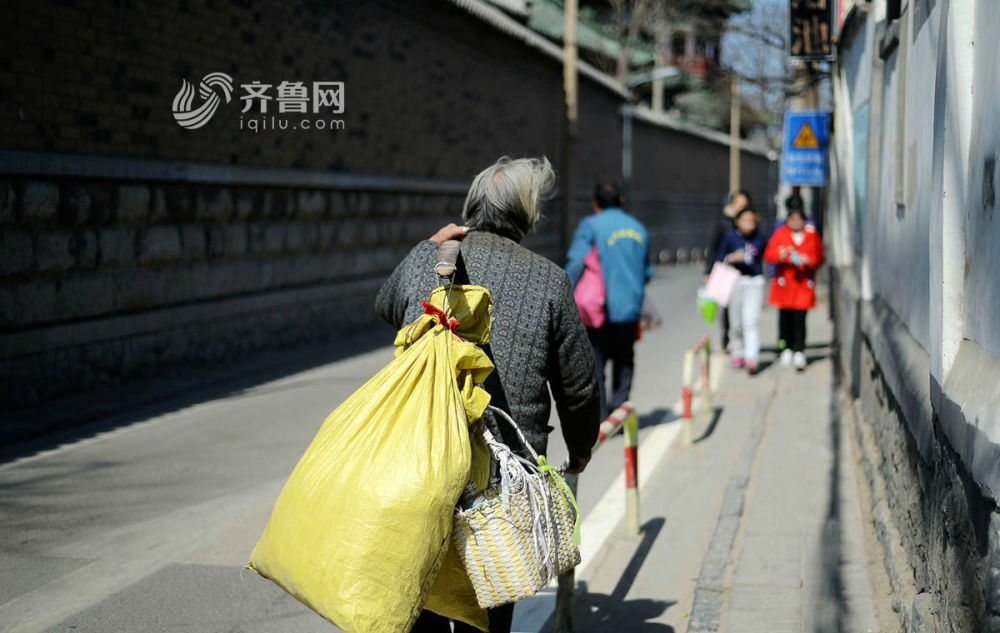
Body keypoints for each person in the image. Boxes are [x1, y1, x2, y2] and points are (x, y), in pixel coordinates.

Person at [375, 156, 601, 633]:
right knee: (489, 604)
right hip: (503, 477)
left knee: (425, 594)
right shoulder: (548, 280)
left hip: (424, 460)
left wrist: (430, 247)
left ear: (473, 205)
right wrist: (580, 448)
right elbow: (578, 385)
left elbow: (385, 304)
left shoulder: (433, 257)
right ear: (527, 213)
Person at [565, 182, 654, 419]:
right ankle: (620, 408)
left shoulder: (590, 225)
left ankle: (602, 417)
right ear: (621, 201)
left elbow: (576, 263)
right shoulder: (638, 228)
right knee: (624, 360)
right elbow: (647, 271)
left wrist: (565, 294)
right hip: (629, 308)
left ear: (595, 203)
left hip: (597, 310)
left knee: (596, 363)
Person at [764, 206, 825, 371]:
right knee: (785, 319)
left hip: (803, 284)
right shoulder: (781, 234)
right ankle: (785, 348)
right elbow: (769, 254)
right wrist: (782, 254)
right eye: (792, 220)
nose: (796, 223)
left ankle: (799, 349)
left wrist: (808, 260)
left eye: (799, 220)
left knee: (800, 319)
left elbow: (819, 257)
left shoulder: (811, 235)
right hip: (785, 284)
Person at [717, 207, 767, 374]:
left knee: (750, 321)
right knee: (736, 322)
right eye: (745, 221)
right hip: (735, 280)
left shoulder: (759, 236)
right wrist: (731, 258)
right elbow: (720, 257)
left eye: (752, 221)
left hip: (754, 281)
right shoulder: (730, 237)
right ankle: (738, 353)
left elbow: (764, 253)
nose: (749, 225)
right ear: (737, 221)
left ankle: (752, 358)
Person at [705, 191, 751, 352]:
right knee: (725, 306)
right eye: (737, 203)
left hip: (744, 272)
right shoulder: (723, 222)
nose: (740, 206)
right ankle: (726, 338)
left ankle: (741, 339)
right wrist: (709, 271)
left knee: (742, 308)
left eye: (744, 204)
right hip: (726, 271)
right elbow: (713, 247)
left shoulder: (750, 223)